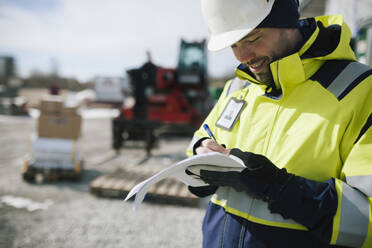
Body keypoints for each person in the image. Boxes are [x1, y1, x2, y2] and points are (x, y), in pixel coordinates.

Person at [185, 0, 372, 247]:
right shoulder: (239, 87)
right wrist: (201, 151)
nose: (242, 56)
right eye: (233, 44)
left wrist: (281, 187)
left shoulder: (359, 91)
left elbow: (366, 223)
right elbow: (201, 139)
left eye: (252, 39)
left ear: (287, 22)